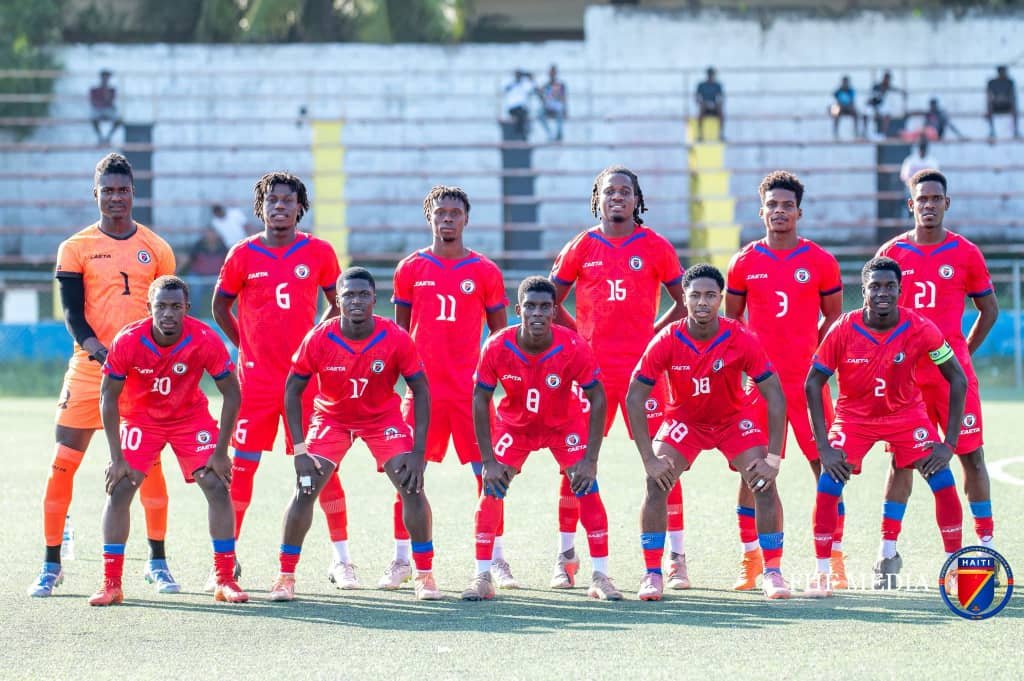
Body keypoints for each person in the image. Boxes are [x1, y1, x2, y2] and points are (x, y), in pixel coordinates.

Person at [29, 153, 177, 598]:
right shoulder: (75, 247)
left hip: (141, 377)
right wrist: (99, 352)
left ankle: (157, 561)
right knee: (62, 466)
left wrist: (152, 361)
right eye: (108, 190)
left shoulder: (158, 248)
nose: (116, 197)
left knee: (148, 467)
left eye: (123, 190)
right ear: (96, 194)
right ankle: (51, 564)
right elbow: (73, 314)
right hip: (90, 371)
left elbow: (168, 316)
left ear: (134, 193)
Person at [550, 166, 687, 590]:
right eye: (610, 191)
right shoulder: (581, 246)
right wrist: (580, 337)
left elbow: (685, 302)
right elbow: (548, 300)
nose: (617, 198)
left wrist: (652, 337)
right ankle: (566, 556)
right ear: (598, 198)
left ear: (637, 200)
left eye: (625, 192)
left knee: (664, 460)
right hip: (590, 373)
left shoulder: (656, 247)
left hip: (644, 373)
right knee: (575, 461)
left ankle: (676, 557)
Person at [212, 172, 349, 590]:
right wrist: (246, 346)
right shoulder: (243, 254)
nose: (280, 206)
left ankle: (342, 559)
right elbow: (220, 307)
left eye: (288, 200)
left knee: (321, 468)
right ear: (261, 206)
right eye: (272, 200)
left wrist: (313, 342)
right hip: (254, 383)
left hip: (304, 382)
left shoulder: (320, 252)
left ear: (300, 207)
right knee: (243, 470)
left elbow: (337, 303)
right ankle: (226, 561)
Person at [270, 267, 441, 602]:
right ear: (338, 300)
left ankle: (424, 574)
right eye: (349, 295)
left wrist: (419, 451)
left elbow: (420, 388)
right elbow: (292, 390)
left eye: (364, 295)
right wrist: (301, 450)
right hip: (332, 419)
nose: (356, 301)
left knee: (412, 484)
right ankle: (285, 576)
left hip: (382, 419)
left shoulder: (394, 337)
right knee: (304, 490)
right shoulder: (319, 337)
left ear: (375, 299)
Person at [626, 264, 790, 601]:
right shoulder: (668, 339)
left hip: (733, 420)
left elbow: (775, 395)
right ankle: (653, 573)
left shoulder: (741, 337)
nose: (703, 302)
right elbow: (634, 396)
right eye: (696, 295)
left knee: (763, 480)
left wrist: (773, 457)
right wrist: (648, 459)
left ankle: (772, 572)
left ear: (721, 299)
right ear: (684, 299)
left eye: (710, 295)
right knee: (655, 482)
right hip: (685, 422)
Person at [804, 257, 966, 597]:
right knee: (828, 485)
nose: (882, 293)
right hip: (854, 418)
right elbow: (813, 382)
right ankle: (821, 573)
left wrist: (948, 444)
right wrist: (824, 447)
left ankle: (954, 568)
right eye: (875, 287)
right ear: (862, 291)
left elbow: (958, 378)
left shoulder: (920, 328)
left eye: (889, 286)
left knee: (943, 480)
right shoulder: (844, 329)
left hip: (907, 416)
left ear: (900, 290)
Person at [873, 170, 999, 589]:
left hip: (952, 378)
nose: (928, 204)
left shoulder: (965, 252)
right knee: (901, 460)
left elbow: (989, 310)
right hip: (906, 379)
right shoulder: (893, 254)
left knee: (972, 456)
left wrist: (961, 353)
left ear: (947, 203)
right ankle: (887, 553)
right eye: (921, 198)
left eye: (935, 198)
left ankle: (985, 547)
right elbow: (878, 314)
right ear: (910, 205)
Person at [88, 276, 247, 606]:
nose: (168, 313)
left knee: (217, 485)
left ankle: (224, 579)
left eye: (176, 306)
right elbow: (108, 397)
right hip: (141, 420)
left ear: (187, 309)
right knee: (120, 488)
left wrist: (221, 451)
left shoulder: (204, 338)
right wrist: (116, 458)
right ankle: (112, 584)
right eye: (161, 306)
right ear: (149, 308)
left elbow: (232, 393)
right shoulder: (129, 339)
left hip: (189, 418)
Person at [461, 276, 621, 601]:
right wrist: (488, 460)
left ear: (554, 310)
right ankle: (482, 576)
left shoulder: (573, 346)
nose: (538, 313)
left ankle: (601, 576)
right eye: (530, 306)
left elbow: (598, 397)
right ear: (518, 309)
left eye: (545, 307)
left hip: (564, 425)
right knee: (491, 489)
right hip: (515, 426)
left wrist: (590, 460)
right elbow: (480, 399)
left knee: (587, 487)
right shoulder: (496, 346)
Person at [725, 171, 843, 591]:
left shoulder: (821, 261)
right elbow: (732, 323)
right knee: (751, 472)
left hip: (807, 385)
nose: (779, 211)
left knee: (827, 468)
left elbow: (834, 318)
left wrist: (817, 358)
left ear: (799, 211)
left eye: (787, 205)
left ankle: (833, 561)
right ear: (761, 212)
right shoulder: (743, 262)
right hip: (760, 388)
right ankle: (752, 560)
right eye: (772, 205)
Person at [388, 186, 510, 589]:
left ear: (466, 219)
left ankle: (496, 559)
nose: (447, 218)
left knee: (488, 477)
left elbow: (499, 338)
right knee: (407, 476)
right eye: (440, 212)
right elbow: (400, 336)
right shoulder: (410, 269)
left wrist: (501, 386)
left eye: (455, 212)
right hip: (421, 394)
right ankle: (402, 560)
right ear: (430, 217)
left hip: (470, 395)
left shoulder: (485, 271)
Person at [502, 70, 538, 141]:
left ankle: (520, 131)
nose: (518, 76)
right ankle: (520, 131)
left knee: (523, 113)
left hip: (521, 108)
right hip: (512, 108)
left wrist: (531, 78)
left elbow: (534, 89)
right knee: (521, 113)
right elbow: (504, 89)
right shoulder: (511, 83)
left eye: (519, 75)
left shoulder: (524, 84)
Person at [89, 70, 123, 145]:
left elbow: (110, 101)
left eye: (107, 77)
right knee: (93, 118)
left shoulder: (111, 90)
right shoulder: (94, 89)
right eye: (104, 77)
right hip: (98, 110)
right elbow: (93, 102)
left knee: (119, 120)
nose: (105, 79)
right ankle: (100, 137)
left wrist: (106, 90)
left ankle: (108, 137)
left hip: (108, 110)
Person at [986, 65, 1019, 139]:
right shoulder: (992, 82)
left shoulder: (1009, 82)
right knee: (989, 105)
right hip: (996, 105)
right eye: (1002, 72)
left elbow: (1012, 96)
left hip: (1007, 104)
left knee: (1014, 107)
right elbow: (988, 96)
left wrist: (1005, 99)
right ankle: (992, 131)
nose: (1004, 74)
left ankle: (1016, 131)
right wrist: (996, 99)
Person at [868, 70, 904, 138]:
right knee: (869, 114)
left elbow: (895, 89)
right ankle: (867, 133)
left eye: (888, 79)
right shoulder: (876, 86)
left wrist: (902, 92)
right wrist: (875, 110)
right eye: (886, 78)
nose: (887, 80)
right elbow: (872, 100)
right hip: (872, 106)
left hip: (881, 107)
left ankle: (883, 134)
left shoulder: (888, 87)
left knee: (887, 116)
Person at [538, 64, 568, 142]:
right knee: (539, 114)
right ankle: (549, 133)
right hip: (548, 107)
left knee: (560, 114)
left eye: (553, 72)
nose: (551, 74)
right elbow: (541, 96)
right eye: (550, 73)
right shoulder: (546, 85)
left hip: (557, 107)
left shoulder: (560, 84)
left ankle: (559, 134)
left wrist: (565, 109)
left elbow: (563, 98)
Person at [695, 67, 724, 141]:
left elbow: (721, 97)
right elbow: (697, 97)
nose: (711, 76)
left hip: (714, 107)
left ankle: (720, 135)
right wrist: (702, 103)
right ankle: (700, 135)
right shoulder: (701, 85)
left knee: (720, 111)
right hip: (704, 107)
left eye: (712, 75)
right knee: (701, 109)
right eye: (709, 75)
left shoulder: (717, 85)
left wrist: (717, 104)